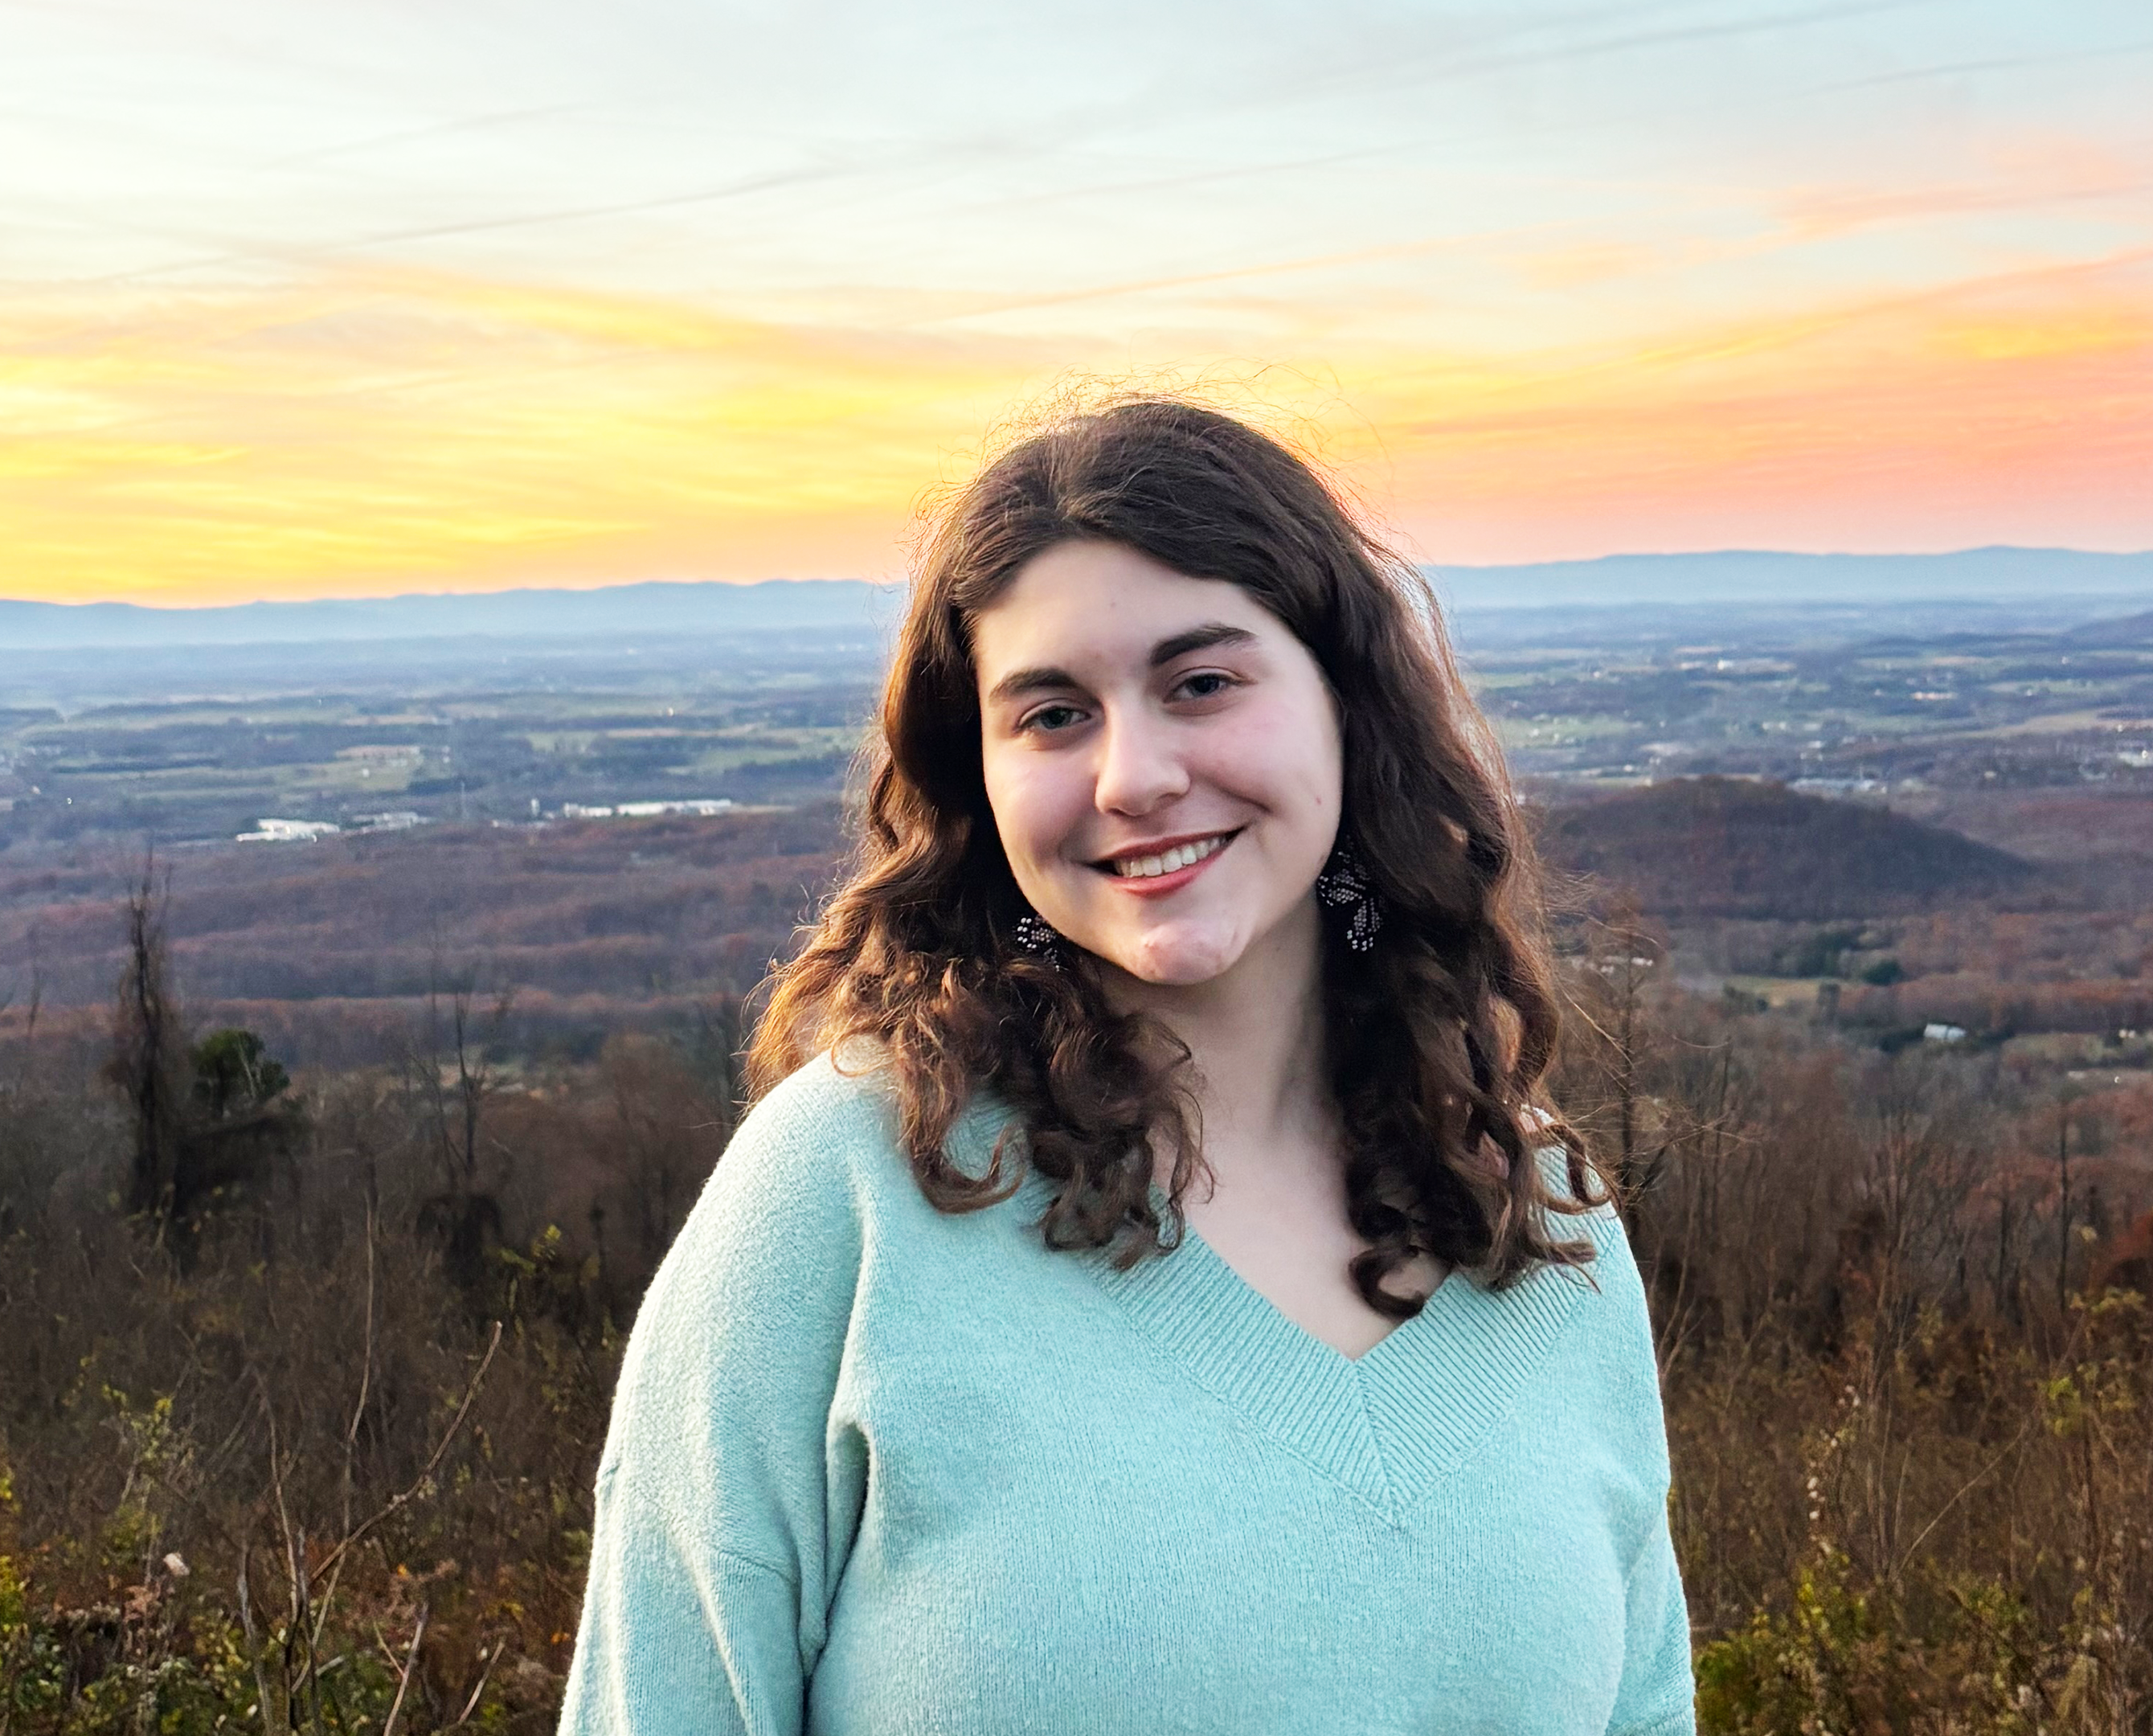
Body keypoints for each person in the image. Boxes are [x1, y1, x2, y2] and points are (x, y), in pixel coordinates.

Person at [556, 397, 1697, 1734]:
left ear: (1346, 704)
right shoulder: (848, 1195)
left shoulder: (1538, 1220)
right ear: (977, 779)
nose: (1132, 777)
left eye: (1201, 683)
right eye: (1051, 715)